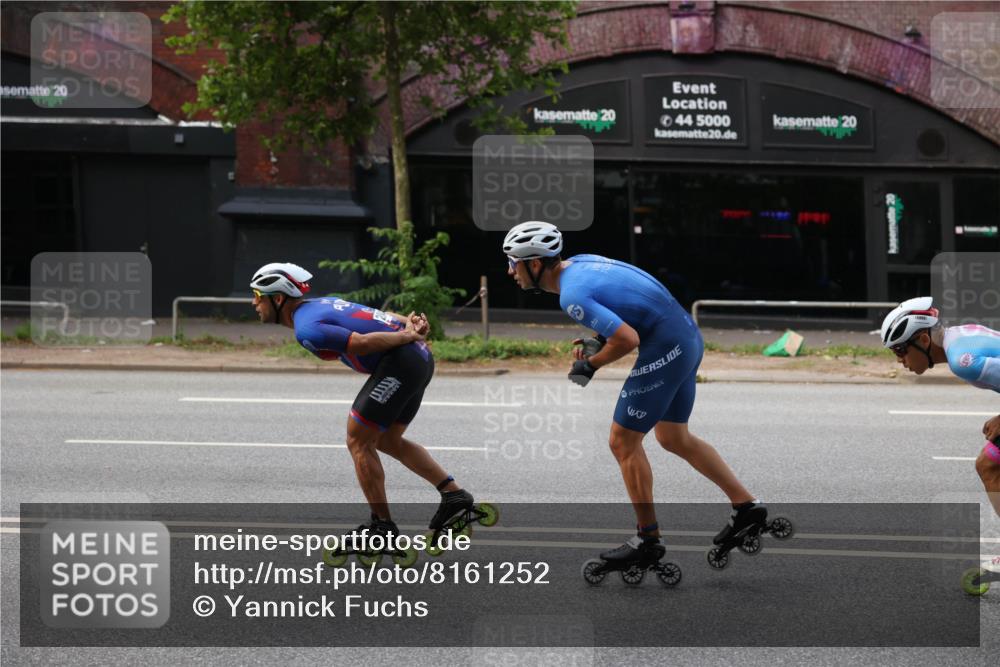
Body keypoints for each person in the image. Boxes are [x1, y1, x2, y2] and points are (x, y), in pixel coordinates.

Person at [502, 221, 764, 567]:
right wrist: (599, 339)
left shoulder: (571, 295)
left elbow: (628, 339)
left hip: (664, 345)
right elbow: (628, 302)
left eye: (513, 262)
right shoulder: (578, 263)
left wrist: (591, 365)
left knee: (622, 442)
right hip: (685, 336)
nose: (509, 271)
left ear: (534, 264)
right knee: (673, 437)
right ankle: (747, 508)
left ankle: (647, 539)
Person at [250, 262, 477, 544]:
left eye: (258, 296)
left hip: (403, 362)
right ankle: (453, 494)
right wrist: (407, 323)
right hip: (417, 359)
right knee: (387, 440)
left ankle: (382, 526)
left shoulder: (307, 327)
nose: (253, 302)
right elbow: (381, 316)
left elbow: (361, 343)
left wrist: (407, 333)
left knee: (358, 440)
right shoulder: (323, 304)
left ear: (278, 298)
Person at [880, 297, 1000, 515]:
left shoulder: (963, 360)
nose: (900, 360)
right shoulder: (957, 337)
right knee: (989, 464)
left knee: (989, 466)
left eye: (900, 350)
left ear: (924, 340)